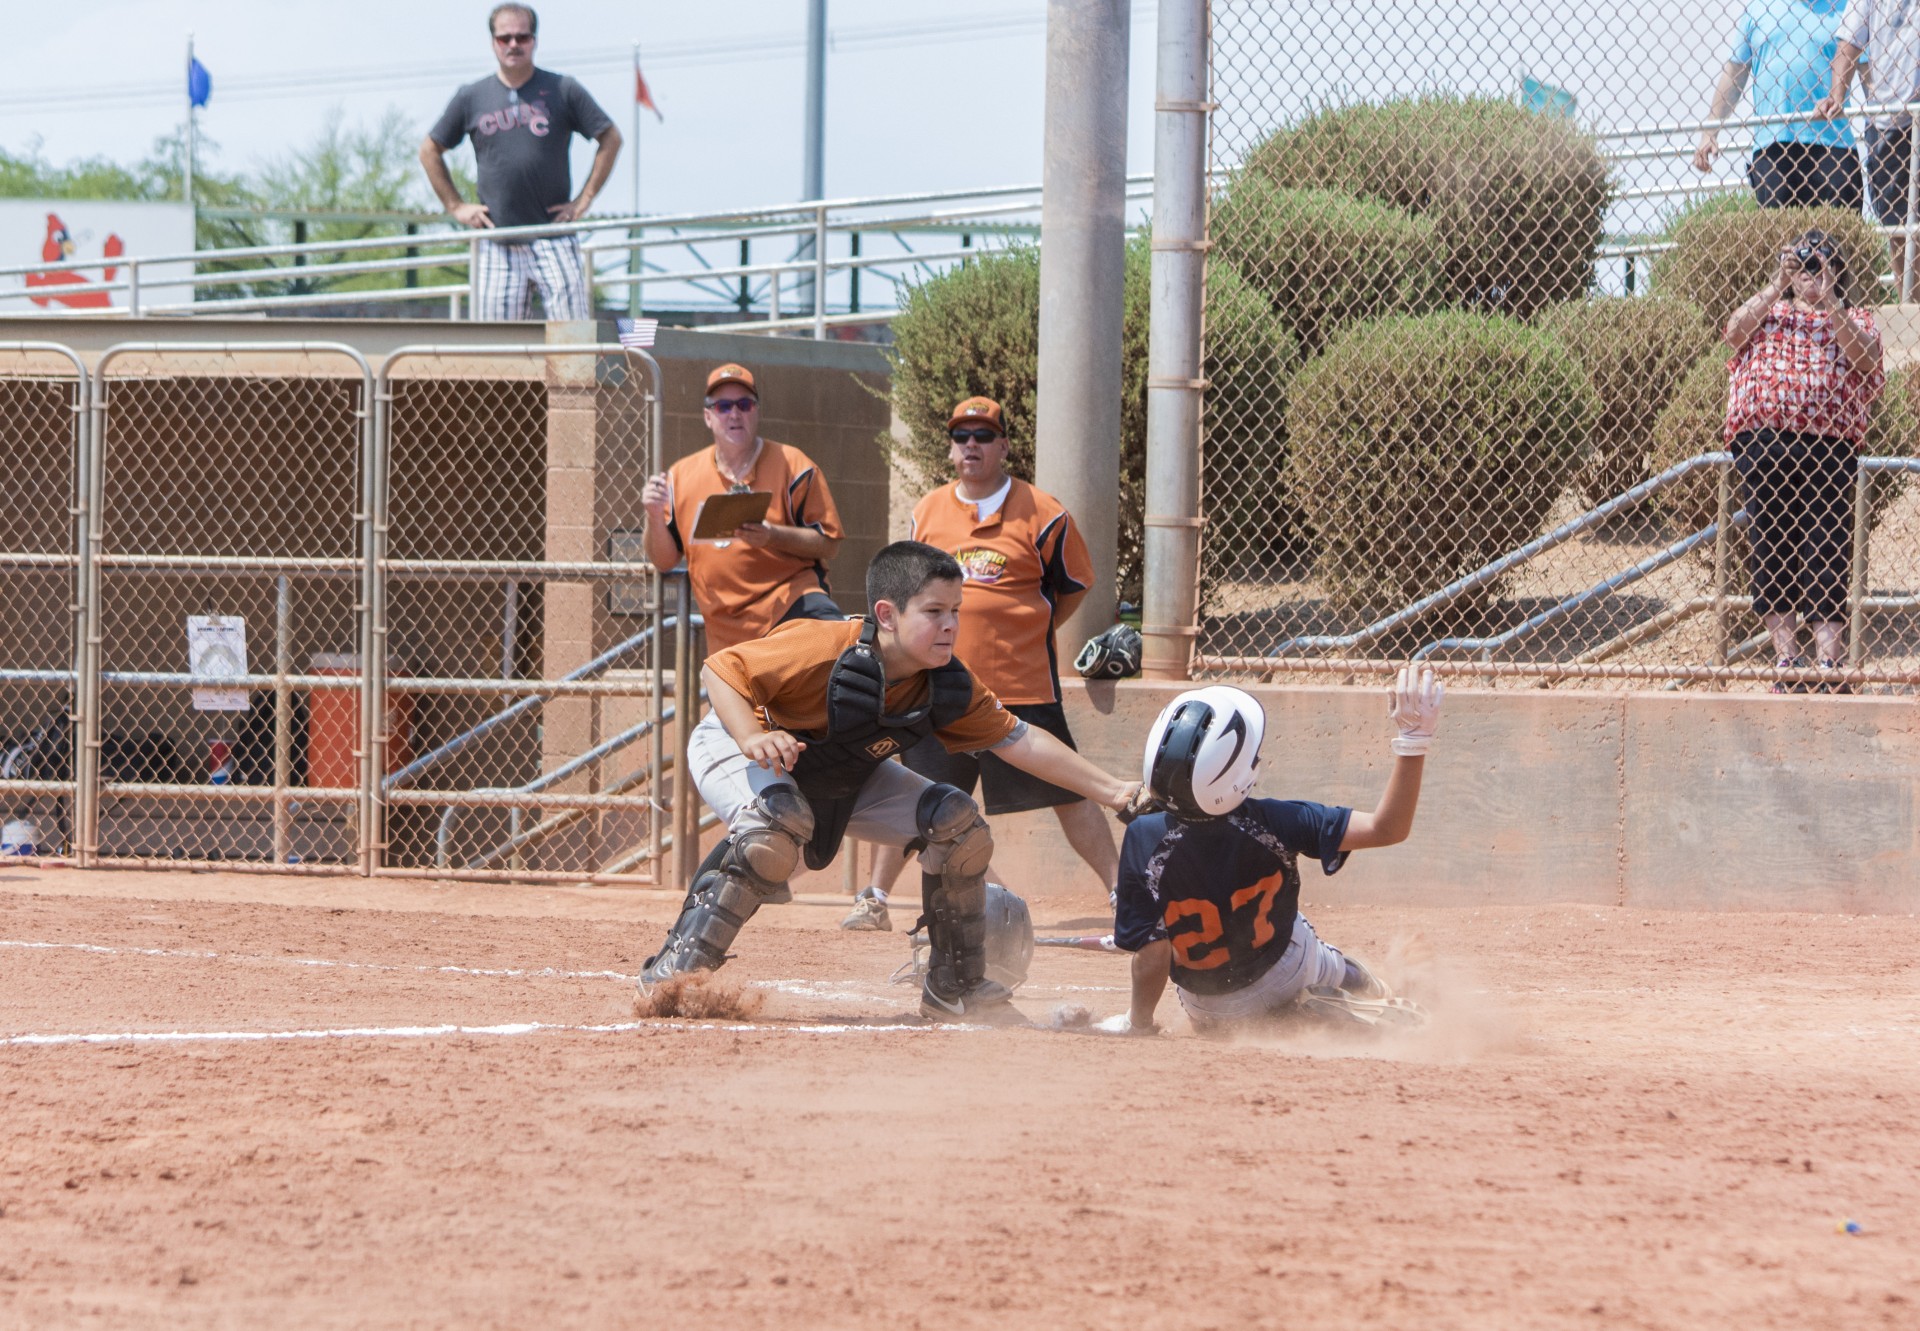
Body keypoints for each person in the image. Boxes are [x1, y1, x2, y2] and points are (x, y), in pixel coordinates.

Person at [636, 540, 1145, 1020]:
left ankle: (955, 987)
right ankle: (675, 973)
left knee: (957, 825)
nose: (950, 625)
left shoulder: (946, 683)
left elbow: (1021, 741)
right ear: (887, 614)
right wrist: (750, 734)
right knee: (773, 831)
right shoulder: (826, 645)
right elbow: (721, 669)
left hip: (842, 774)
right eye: (933, 612)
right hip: (736, 742)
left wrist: (1114, 791)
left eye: (955, 612)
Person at [843, 396, 1115, 931]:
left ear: (1004, 446)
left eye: (984, 435)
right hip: (942, 686)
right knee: (914, 793)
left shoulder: (1043, 511)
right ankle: (873, 897)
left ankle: (1122, 892)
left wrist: (1028, 628)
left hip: (1023, 685)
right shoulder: (929, 511)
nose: (972, 444)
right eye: (962, 435)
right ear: (950, 449)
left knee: (1070, 791)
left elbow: (1075, 586)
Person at [1108, 670, 1443, 1038]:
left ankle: (1284, 1022)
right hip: (1288, 969)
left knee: (1213, 1019)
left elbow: (1152, 959)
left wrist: (1137, 1023)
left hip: (1211, 1004)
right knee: (1326, 958)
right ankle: (1360, 989)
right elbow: (1387, 828)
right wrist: (1413, 743)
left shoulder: (1142, 838)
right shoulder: (1275, 821)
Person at [1722, 228, 1885, 691]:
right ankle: (1787, 662)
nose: (1811, 276)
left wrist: (1830, 301)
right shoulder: (1769, 309)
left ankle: (1829, 667)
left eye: (1820, 266)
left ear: (1837, 271)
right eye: (1805, 266)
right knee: (1771, 549)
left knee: (1826, 550)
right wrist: (1778, 283)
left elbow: (1868, 359)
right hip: (1766, 445)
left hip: (1829, 449)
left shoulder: (1853, 316)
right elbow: (1733, 332)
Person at [420, 4, 621, 321]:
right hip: (497, 240)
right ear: (493, 43)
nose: (513, 44)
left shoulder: (563, 89)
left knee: (573, 340)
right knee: (498, 351)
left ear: (534, 40)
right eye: (505, 38)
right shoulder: (471, 96)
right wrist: (456, 206)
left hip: (554, 236)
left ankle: (571, 374)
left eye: (522, 37)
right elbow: (429, 150)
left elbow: (610, 138)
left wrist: (583, 200)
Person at [640, 363, 845, 654]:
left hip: (791, 605)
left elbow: (829, 544)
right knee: (754, 702)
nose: (734, 414)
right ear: (708, 417)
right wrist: (653, 515)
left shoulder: (794, 464)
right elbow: (663, 561)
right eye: (723, 406)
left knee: (838, 656)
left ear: (756, 412)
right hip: (728, 633)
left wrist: (772, 535)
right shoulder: (680, 476)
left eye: (744, 404)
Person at [1694, 0, 1862, 210]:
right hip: (1773, 147)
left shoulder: (1848, 10)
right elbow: (1735, 75)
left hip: (1834, 146)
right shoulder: (1758, 8)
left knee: (1838, 240)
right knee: (1777, 241)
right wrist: (1710, 132)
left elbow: (1868, 74)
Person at [1815, 3, 1920, 285]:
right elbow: (1849, 42)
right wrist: (1837, 95)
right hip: (1891, 120)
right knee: (1898, 224)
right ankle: (1912, 304)